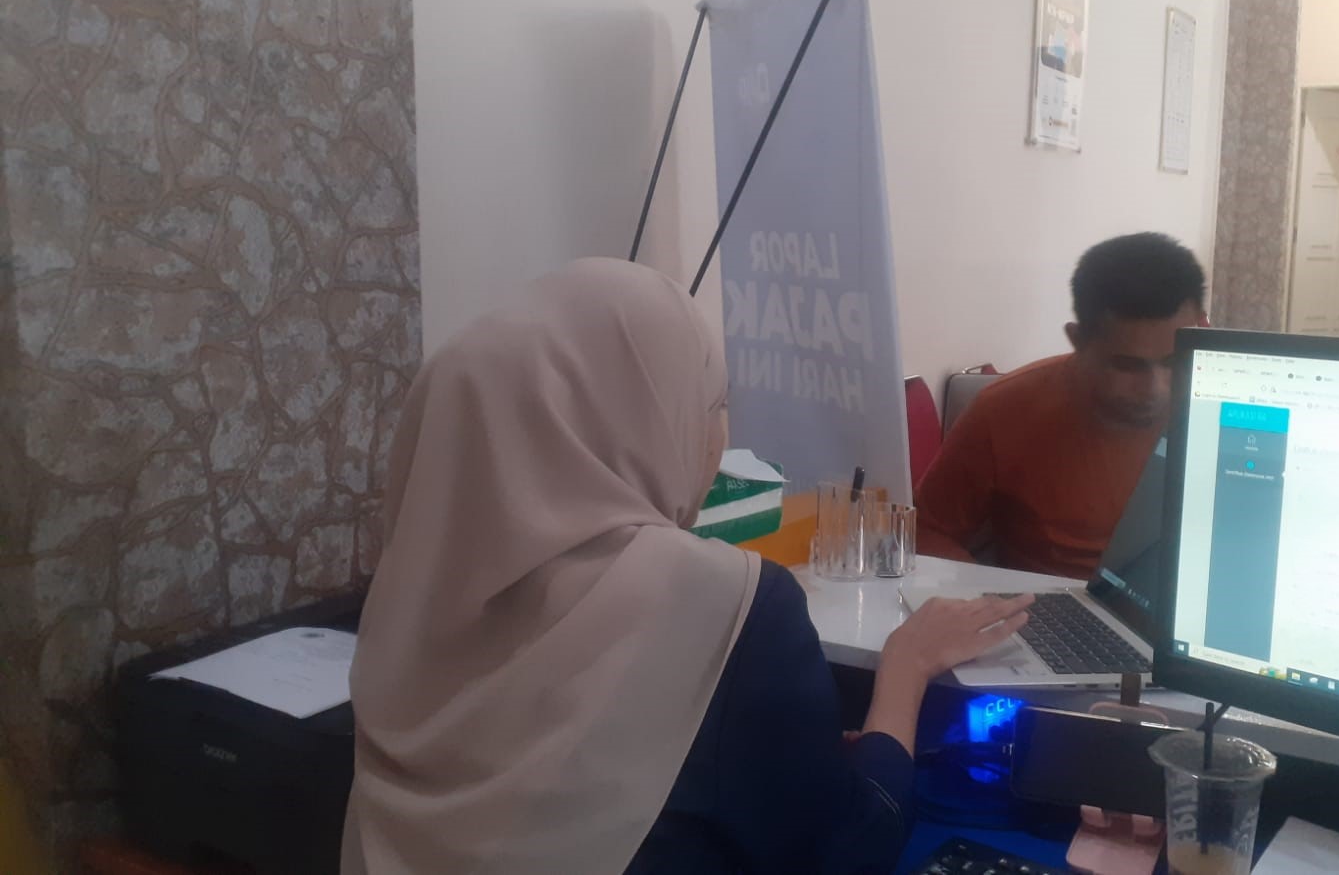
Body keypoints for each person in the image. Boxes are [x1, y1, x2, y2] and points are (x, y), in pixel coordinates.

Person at [341, 258, 1034, 875]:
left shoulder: (403, 600)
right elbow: (850, 848)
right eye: (713, 404)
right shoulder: (724, 604)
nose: (720, 434)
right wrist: (905, 670)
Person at [915, 233, 1207, 577]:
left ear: (1203, 327)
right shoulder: (1006, 411)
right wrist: (989, 597)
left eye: (1174, 361)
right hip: (1052, 603)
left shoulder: (1236, 401)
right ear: (1077, 340)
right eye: (1127, 366)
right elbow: (925, 532)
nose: (1156, 389)